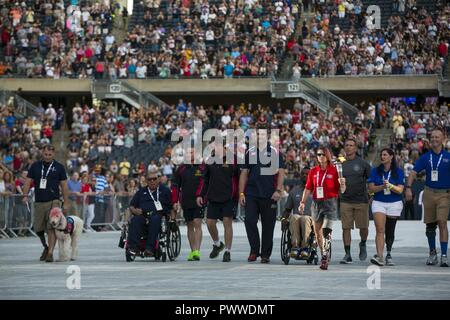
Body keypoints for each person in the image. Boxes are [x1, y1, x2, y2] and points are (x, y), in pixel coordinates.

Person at [239, 127, 285, 263]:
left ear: (268, 136)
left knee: (268, 226)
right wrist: (241, 193)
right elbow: (244, 173)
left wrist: (278, 190)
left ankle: (265, 254)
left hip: (269, 194)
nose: (260, 136)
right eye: (258, 134)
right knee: (250, 221)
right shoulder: (250, 152)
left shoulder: (275, 152)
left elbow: (281, 172)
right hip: (251, 194)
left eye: (263, 134)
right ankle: (254, 250)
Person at [405, 128, 449, 267]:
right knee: (430, 226)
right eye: (432, 137)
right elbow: (413, 172)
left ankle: (444, 255)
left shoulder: (448, 156)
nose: (434, 139)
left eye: (437, 137)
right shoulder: (425, 157)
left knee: (442, 222)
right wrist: (408, 188)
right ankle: (432, 253)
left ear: (443, 139)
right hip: (429, 193)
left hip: (444, 194)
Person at [21, 144, 69, 262]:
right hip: (39, 202)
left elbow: (64, 185)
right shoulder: (35, 166)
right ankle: (46, 247)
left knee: (51, 228)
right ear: (42, 153)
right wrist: (25, 195)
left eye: (50, 154)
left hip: (54, 201)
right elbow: (27, 181)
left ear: (53, 154)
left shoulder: (59, 167)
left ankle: (50, 253)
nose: (47, 156)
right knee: (38, 229)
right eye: (45, 154)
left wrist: (66, 202)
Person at [299, 147, 342, 270]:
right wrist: (302, 202)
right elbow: (308, 188)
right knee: (318, 233)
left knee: (325, 231)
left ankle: (324, 257)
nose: (321, 156)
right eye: (318, 154)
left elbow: (341, 189)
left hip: (330, 203)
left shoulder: (334, 170)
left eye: (323, 154)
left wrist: (342, 183)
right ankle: (323, 251)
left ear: (327, 156)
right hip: (316, 203)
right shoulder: (313, 171)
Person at [197, 143, 239, 262]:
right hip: (213, 198)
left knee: (227, 224)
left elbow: (240, 176)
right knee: (210, 223)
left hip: (228, 198)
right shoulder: (210, 161)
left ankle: (227, 251)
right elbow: (205, 180)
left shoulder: (232, 159)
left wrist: (240, 194)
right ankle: (217, 244)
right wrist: (200, 195)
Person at [368, 148, 405, 266]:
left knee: (390, 230)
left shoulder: (398, 171)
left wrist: (390, 186)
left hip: (395, 203)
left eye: (385, 155)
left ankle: (388, 253)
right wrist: (382, 187)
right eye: (381, 155)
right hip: (379, 202)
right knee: (380, 229)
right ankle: (380, 256)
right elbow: (371, 189)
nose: (382, 157)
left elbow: (400, 190)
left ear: (391, 157)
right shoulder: (375, 171)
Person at [339, 138, 372, 264]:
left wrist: (372, 194)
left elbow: (372, 179)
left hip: (361, 200)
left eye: (351, 145)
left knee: (363, 227)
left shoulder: (363, 163)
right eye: (346, 145)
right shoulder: (339, 163)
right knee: (345, 228)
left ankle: (362, 243)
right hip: (345, 200)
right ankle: (347, 254)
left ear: (356, 148)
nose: (348, 147)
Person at [127, 172, 175, 257]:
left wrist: (173, 219)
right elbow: (132, 206)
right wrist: (134, 210)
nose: (152, 181)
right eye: (150, 179)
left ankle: (150, 248)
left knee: (155, 219)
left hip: (159, 215)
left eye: (154, 179)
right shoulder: (141, 191)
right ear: (146, 181)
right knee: (135, 220)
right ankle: (133, 248)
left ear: (158, 179)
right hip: (143, 215)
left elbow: (172, 206)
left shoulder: (165, 190)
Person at [172, 148, 206, 261]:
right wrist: (175, 201)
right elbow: (176, 186)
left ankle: (197, 251)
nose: (189, 154)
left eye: (191, 152)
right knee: (190, 225)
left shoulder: (202, 167)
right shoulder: (181, 169)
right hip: (186, 201)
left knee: (197, 223)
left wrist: (201, 196)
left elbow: (205, 183)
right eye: (187, 152)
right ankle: (192, 251)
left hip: (199, 200)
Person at [281, 167, 314, 258]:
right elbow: (287, 209)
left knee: (305, 218)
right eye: (303, 174)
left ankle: (305, 247)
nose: (304, 175)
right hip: (296, 219)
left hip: (311, 220)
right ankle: (295, 247)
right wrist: (283, 219)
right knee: (295, 216)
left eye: (307, 174)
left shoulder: (316, 191)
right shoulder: (294, 191)